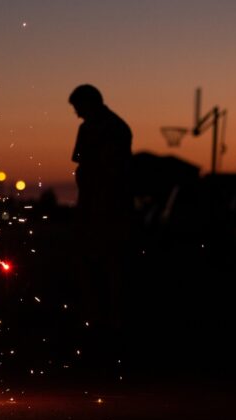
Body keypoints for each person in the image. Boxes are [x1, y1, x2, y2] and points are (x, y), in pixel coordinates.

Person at [69, 84, 133, 334]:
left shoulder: (114, 128)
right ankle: (97, 317)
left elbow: (112, 170)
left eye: (78, 107)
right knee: (91, 263)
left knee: (112, 263)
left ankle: (113, 320)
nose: (76, 113)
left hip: (110, 208)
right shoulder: (89, 128)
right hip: (93, 205)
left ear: (90, 103)